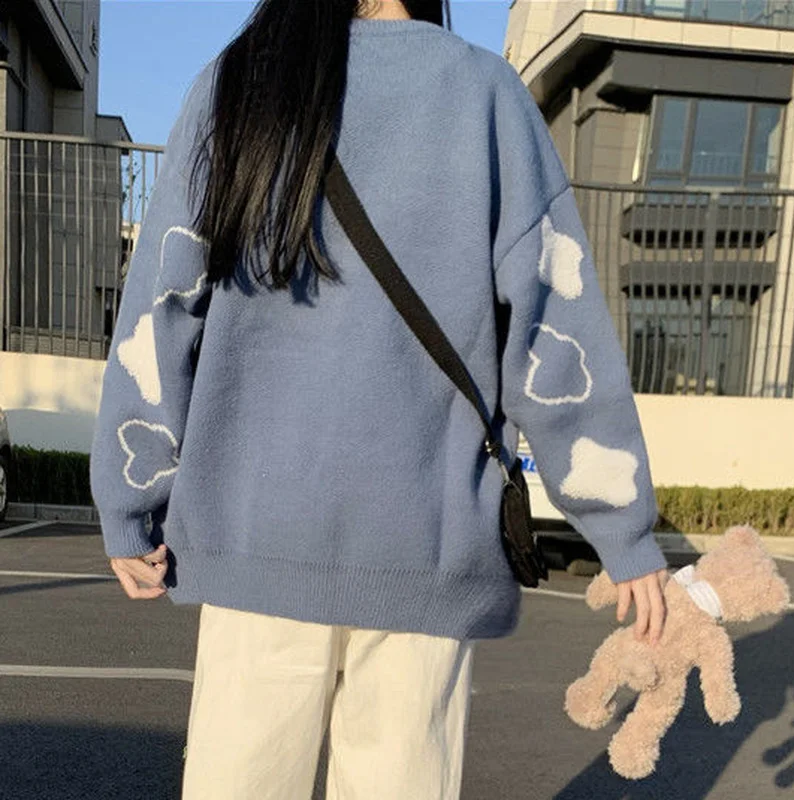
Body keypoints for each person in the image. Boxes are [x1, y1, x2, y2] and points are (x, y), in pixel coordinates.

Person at [89, 0, 669, 797]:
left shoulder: (238, 85)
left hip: (258, 534)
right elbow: (551, 327)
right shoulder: (484, 95)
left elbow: (164, 302)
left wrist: (129, 497)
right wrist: (620, 525)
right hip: (424, 542)